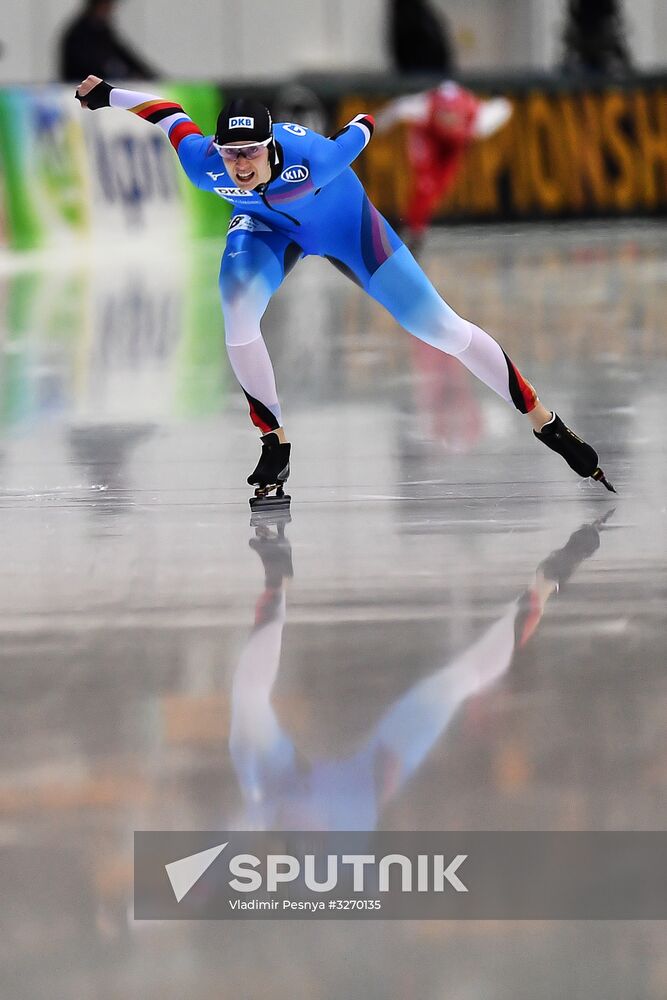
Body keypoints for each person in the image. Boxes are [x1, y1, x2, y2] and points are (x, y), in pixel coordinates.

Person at [75, 75, 615, 509]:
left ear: (270, 147)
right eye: (231, 153)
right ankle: (274, 441)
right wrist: (107, 96)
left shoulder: (317, 160)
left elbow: (362, 126)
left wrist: (366, 119)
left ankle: (545, 422)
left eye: (252, 154)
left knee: (439, 327)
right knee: (237, 311)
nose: (240, 166)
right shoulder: (203, 165)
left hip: (346, 226)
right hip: (266, 229)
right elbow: (169, 114)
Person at [376, 81, 513, 253]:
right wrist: (377, 126)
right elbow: (398, 108)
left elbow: (502, 109)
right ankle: (413, 232)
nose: (449, 120)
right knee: (425, 186)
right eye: (444, 115)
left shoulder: (479, 118)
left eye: (453, 116)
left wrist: (499, 98)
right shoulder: (423, 107)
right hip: (427, 139)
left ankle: (411, 226)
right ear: (436, 111)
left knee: (439, 188)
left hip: (452, 149)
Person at [60, 0, 156, 83]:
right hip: (79, 87)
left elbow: (124, 54)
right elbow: (87, 65)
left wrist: (148, 75)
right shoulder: (78, 34)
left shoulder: (102, 31)